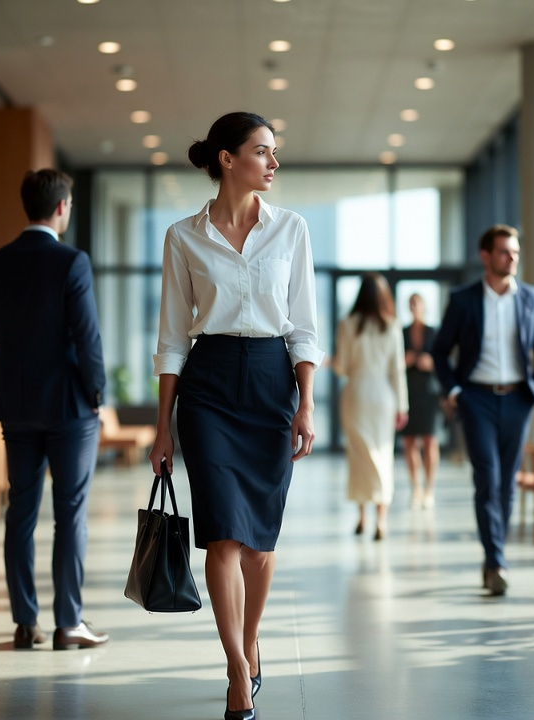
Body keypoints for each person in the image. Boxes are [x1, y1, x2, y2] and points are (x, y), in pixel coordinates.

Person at [149, 112, 321, 720]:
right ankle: (236, 668)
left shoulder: (292, 229)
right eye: (262, 151)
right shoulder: (183, 236)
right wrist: (162, 424)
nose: (273, 162)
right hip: (209, 387)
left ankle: (249, 642)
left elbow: (303, 327)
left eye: (274, 153)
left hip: (273, 383)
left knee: (259, 543)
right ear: (227, 159)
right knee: (221, 531)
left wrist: (305, 403)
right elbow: (171, 338)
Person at [0, 169, 110, 652]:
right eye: (70, 204)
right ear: (60, 207)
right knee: (69, 514)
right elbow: (87, 338)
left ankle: (24, 622)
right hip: (70, 407)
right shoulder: (71, 262)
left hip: (17, 407)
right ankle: (68, 622)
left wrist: (3, 388)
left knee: (21, 512)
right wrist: (98, 394)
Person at [431, 224, 534, 596]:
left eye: (515, 252)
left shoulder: (531, 297)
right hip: (477, 399)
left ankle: (492, 558)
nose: (512, 258)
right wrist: (454, 391)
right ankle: (496, 560)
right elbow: (440, 351)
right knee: (487, 477)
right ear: (486, 256)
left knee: (507, 482)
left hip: (518, 399)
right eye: (504, 252)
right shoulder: (464, 298)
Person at [334, 273, 408, 540]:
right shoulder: (392, 325)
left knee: (359, 456)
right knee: (382, 454)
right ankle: (382, 521)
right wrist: (403, 406)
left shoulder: (347, 324)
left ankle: (362, 518)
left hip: (356, 392)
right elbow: (398, 371)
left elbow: (342, 367)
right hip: (384, 395)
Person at [401, 293, 442, 508]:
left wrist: (432, 363)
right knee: (409, 441)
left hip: (429, 392)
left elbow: (443, 361)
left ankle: (429, 489)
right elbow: (394, 361)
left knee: (429, 440)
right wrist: (404, 361)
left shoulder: (433, 332)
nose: (414, 306)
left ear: (424, 306)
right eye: (411, 303)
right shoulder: (402, 332)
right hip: (408, 392)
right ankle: (415, 487)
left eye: (417, 303)